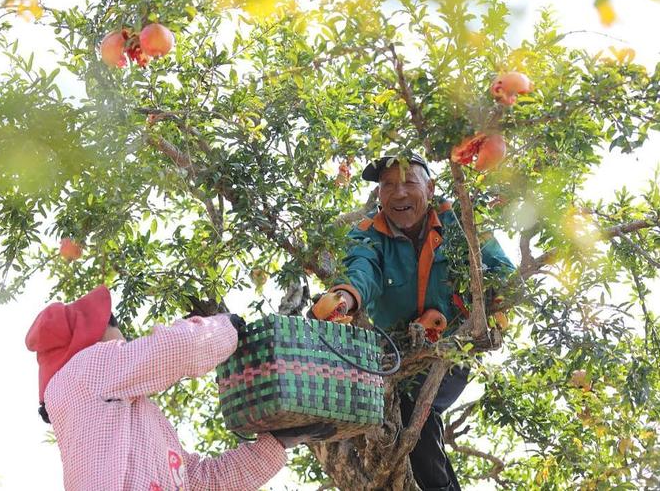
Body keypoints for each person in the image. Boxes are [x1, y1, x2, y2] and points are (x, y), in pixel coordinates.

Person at [312, 153, 514, 491]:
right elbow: (361, 272)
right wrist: (344, 298)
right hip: (395, 357)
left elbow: (504, 275)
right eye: (388, 185)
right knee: (393, 421)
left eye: (408, 182)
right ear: (379, 195)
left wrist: (485, 312)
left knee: (411, 407)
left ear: (431, 188)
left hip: (452, 350)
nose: (399, 193)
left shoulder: (460, 221)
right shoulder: (366, 235)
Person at [26, 285, 333, 491]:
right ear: (94, 334)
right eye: (115, 325)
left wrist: (274, 445)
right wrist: (226, 327)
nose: (125, 337)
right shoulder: (83, 370)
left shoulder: (126, 418)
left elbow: (200, 481)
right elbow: (174, 349)